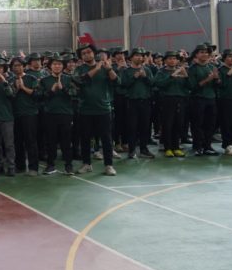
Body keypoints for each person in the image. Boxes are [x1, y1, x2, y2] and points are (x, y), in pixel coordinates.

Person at [72, 45, 118, 176]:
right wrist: (96, 69)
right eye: (84, 53)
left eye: (89, 52)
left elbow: (117, 81)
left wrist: (109, 69)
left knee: (106, 138)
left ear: (94, 53)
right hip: (85, 109)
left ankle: (109, 165)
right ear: (81, 57)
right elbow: (79, 81)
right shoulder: (79, 69)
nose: (87, 54)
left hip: (103, 109)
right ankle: (87, 164)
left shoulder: (105, 67)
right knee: (85, 138)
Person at [39, 55, 75, 175]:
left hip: (66, 114)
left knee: (66, 141)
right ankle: (50, 165)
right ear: (50, 66)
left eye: (59, 64)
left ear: (63, 66)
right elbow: (39, 96)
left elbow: (74, 94)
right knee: (51, 141)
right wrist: (51, 91)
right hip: (50, 114)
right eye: (54, 64)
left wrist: (63, 88)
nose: (57, 66)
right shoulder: (44, 80)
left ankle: (68, 166)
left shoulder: (69, 79)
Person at [119, 48, 155, 159]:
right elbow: (123, 85)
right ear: (131, 57)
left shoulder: (147, 70)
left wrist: (144, 77)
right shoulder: (126, 71)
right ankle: (132, 150)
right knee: (132, 127)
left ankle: (144, 149)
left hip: (145, 101)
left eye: (141, 56)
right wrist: (134, 77)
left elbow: (152, 83)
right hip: (132, 102)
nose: (140, 57)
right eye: (137, 55)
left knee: (145, 126)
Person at [153, 51, 189, 158]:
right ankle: (168, 148)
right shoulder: (161, 72)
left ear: (177, 60)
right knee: (167, 124)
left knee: (178, 123)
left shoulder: (182, 71)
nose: (172, 60)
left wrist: (186, 76)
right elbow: (158, 84)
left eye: (174, 58)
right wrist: (172, 76)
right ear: (165, 61)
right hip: (167, 100)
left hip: (180, 100)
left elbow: (190, 86)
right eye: (169, 58)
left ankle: (176, 147)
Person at [10, 57, 42, 175]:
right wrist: (16, 89)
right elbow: (8, 96)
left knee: (31, 141)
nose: (17, 67)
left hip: (30, 114)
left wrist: (23, 88)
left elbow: (38, 95)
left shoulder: (31, 78)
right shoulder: (10, 80)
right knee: (17, 141)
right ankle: (20, 166)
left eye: (19, 65)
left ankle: (33, 168)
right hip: (15, 114)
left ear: (24, 66)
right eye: (15, 66)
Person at [187, 44, 220, 156]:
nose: (204, 54)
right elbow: (192, 87)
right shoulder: (192, 69)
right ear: (196, 54)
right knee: (197, 124)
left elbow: (218, 85)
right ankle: (197, 146)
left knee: (210, 124)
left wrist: (217, 79)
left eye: (206, 52)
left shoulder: (211, 67)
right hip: (197, 99)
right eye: (201, 52)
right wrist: (208, 79)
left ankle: (207, 146)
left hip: (211, 98)